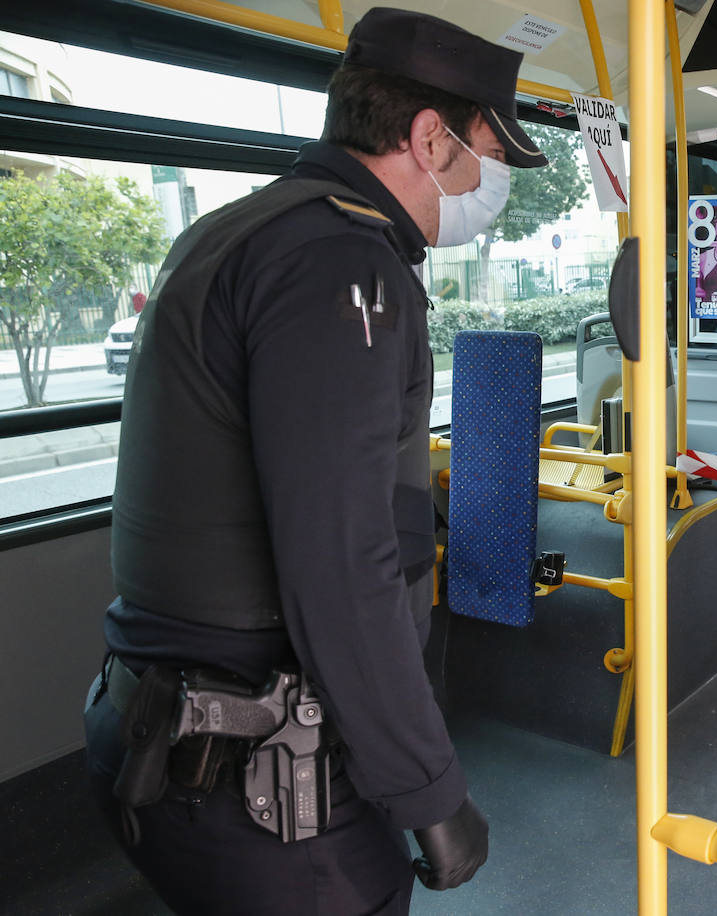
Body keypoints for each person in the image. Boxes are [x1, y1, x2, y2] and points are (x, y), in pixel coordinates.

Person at [83, 8, 547, 914]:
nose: (493, 179)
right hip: (253, 774)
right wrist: (431, 791)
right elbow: (342, 561)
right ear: (429, 138)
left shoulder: (243, 231)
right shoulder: (342, 261)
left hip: (161, 728)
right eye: (489, 150)